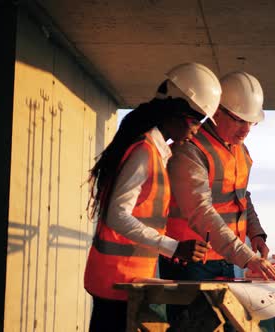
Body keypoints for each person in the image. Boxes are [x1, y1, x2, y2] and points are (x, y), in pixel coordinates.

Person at [83, 62, 222, 332]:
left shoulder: (156, 152)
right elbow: (117, 215)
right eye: (196, 122)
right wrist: (173, 247)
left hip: (128, 278)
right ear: (176, 113)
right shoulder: (144, 152)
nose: (197, 130)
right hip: (116, 278)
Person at [160, 70, 275, 329]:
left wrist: (256, 234)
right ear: (216, 112)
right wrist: (247, 258)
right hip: (190, 263)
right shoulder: (189, 150)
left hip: (226, 260)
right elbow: (200, 211)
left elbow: (242, 196)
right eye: (240, 120)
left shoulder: (240, 151)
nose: (247, 129)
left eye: (252, 122)